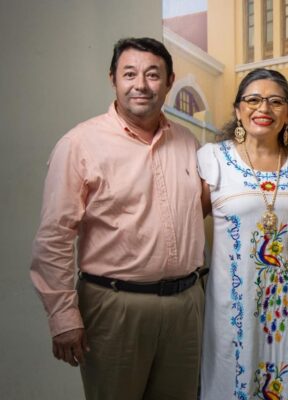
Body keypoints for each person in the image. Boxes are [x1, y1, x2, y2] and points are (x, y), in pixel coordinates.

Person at [30, 37, 206, 400]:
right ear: (113, 78)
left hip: (185, 307)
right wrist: (63, 317)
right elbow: (54, 238)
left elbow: (202, 208)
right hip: (114, 307)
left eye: (153, 74)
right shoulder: (79, 144)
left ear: (169, 82)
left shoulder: (188, 142)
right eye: (129, 74)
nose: (141, 84)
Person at [197, 68, 288, 399]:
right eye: (253, 99)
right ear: (238, 110)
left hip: (286, 309)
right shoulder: (214, 158)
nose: (263, 108)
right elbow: (186, 226)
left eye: (276, 101)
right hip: (232, 311)